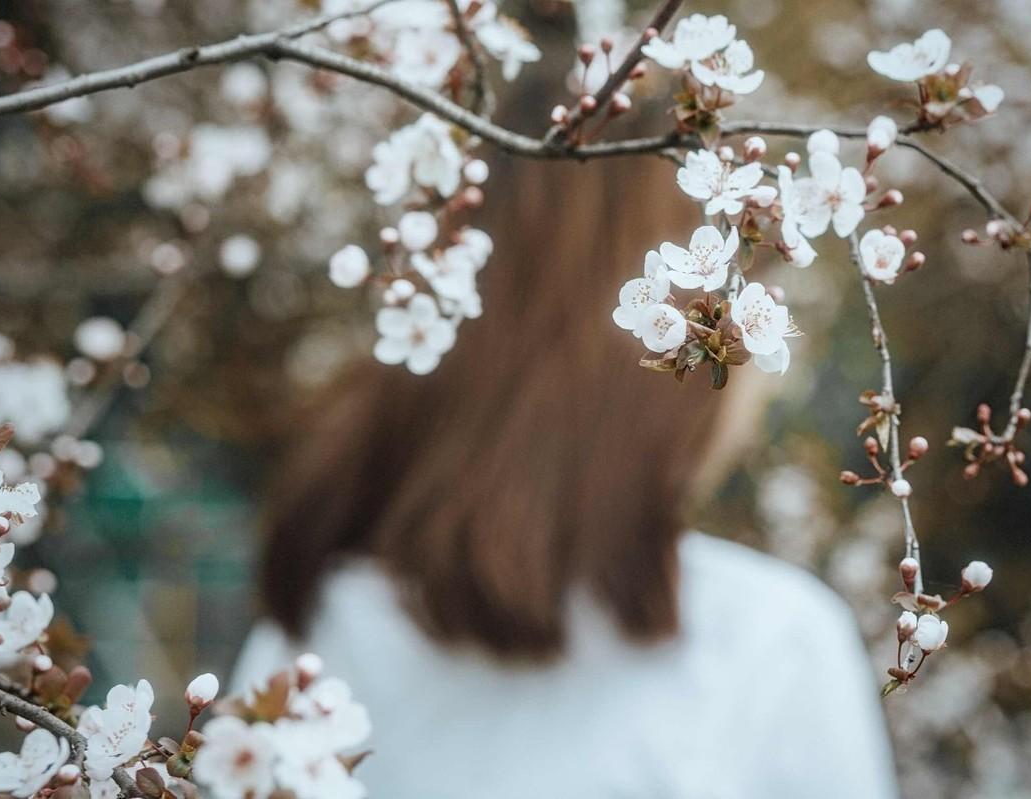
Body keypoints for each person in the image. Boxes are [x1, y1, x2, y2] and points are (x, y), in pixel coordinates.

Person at [231, 152, 898, 798]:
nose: (762, 373)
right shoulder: (771, 647)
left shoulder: (313, 641)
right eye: (748, 294)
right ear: (663, 348)